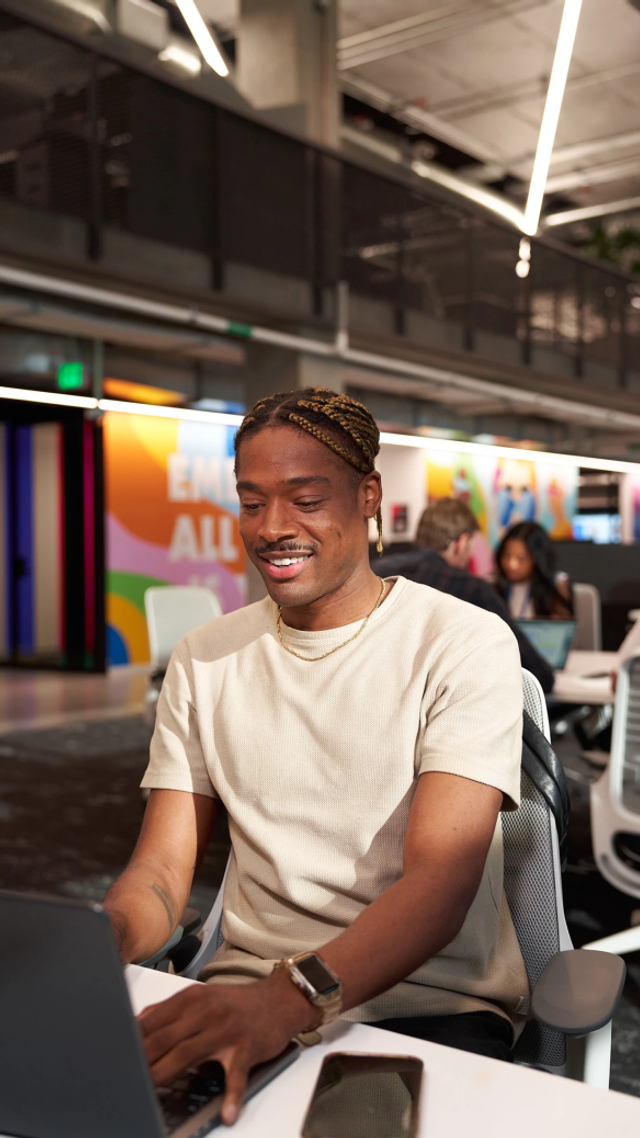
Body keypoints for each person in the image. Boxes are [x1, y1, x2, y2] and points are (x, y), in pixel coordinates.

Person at [103, 388, 527, 1125]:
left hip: (421, 1010)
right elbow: (163, 874)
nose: (273, 528)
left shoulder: (463, 643)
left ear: (369, 498)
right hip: (242, 996)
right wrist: (107, 934)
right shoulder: (205, 658)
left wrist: (289, 999)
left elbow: (442, 884)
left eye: (305, 499)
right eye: (252, 501)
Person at [373, 498, 554, 694]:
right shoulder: (471, 589)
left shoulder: (375, 571)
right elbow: (537, 674)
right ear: (462, 543)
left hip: (373, 696)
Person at [495, 521, 573, 620]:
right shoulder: (493, 584)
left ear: (537, 559)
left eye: (521, 558)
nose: (511, 565)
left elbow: (561, 630)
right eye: (507, 555)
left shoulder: (556, 583)